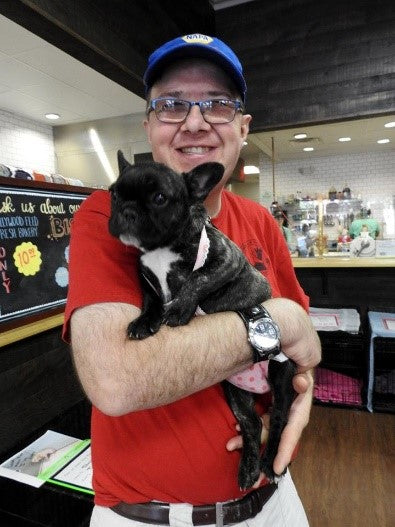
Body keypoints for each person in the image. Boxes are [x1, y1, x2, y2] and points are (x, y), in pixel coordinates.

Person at [63, 34, 321, 527]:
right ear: (149, 126)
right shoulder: (107, 217)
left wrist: (299, 400)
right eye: (172, 104)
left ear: (243, 128)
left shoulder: (261, 222)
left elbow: (305, 348)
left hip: (274, 501)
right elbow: (117, 380)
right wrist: (277, 319)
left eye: (218, 105)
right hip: (149, 516)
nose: (195, 121)